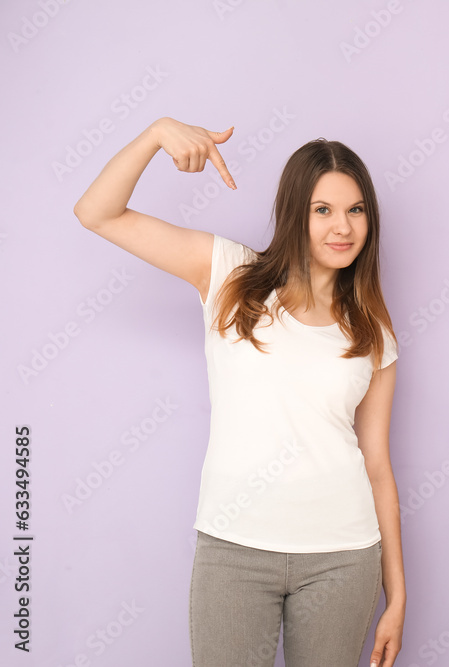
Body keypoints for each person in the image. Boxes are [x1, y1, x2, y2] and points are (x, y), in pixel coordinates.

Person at [74, 118, 405, 667]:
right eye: (322, 209)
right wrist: (156, 134)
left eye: (355, 209)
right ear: (295, 212)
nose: (341, 226)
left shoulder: (372, 330)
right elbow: (97, 212)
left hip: (344, 556)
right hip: (233, 548)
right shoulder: (231, 275)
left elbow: (378, 467)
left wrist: (397, 596)